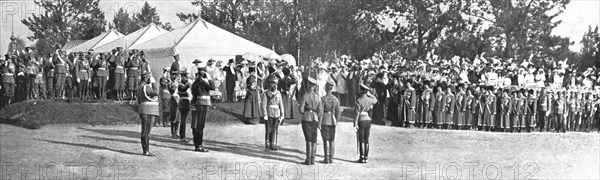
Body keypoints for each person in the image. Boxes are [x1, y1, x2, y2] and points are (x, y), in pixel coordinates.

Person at [191, 67, 214, 152]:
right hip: (203, 103)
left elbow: (194, 93)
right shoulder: (203, 81)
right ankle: (199, 145)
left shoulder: (196, 82)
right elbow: (213, 87)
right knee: (201, 125)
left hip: (198, 102)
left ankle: (197, 144)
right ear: (203, 73)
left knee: (199, 124)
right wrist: (210, 78)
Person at [299, 77, 322, 165]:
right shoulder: (318, 97)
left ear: (309, 85)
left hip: (306, 118)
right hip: (315, 118)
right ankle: (313, 159)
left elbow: (301, 110)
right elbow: (320, 111)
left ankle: (308, 159)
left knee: (308, 139)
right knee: (314, 139)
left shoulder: (305, 95)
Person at [137, 71, 159, 156]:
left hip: (144, 110)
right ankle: (146, 150)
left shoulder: (140, 86)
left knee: (144, 131)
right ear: (146, 78)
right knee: (146, 132)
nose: (150, 79)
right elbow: (156, 92)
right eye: (149, 77)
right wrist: (154, 82)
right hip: (149, 111)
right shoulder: (145, 87)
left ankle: (145, 150)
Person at [354, 83, 377, 163]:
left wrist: (355, 124)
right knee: (366, 139)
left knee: (361, 139)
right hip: (368, 120)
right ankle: (366, 157)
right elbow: (375, 100)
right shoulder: (369, 99)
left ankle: (362, 157)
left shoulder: (359, 100)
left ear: (361, 90)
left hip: (361, 119)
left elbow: (357, 113)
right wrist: (370, 94)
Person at [319, 78, 341, 164]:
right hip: (332, 120)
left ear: (325, 87)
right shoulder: (335, 99)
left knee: (325, 140)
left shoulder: (323, 99)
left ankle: (326, 158)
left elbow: (320, 111)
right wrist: (336, 121)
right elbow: (338, 112)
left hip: (325, 119)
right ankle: (331, 158)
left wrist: (319, 122)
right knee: (332, 139)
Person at [261, 75, 284, 151]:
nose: (275, 85)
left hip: (276, 114)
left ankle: (272, 143)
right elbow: (264, 105)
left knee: (274, 129)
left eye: (276, 84)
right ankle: (267, 143)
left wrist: (282, 114)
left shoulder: (278, 93)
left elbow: (281, 105)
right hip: (269, 113)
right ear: (270, 84)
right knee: (268, 129)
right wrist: (265, 114)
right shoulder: (266, 93)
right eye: (273, 83)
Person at [177, 72, 192, 142]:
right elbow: (183, 90)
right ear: (182, 77)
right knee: (183, 120)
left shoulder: (184, 85)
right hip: (184, 103)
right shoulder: (180, 85)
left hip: (186, 103)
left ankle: (182, 136)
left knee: (183, 120)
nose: (186, 78)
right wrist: (188, 84)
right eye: (185, 77)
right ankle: (182, 136)